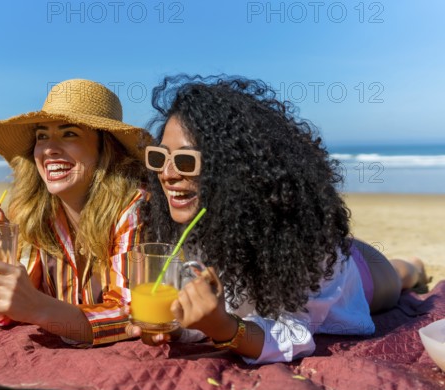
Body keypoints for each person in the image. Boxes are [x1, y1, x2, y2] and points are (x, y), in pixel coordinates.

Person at [137, 74, 428, 363]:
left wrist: (224, 328)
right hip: (323, 257)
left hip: (356, 277)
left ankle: (416, 266)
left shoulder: (304, 244)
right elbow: (207, 313)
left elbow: (291, 334)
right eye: (160, 158)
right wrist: (177, 327)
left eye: (187, 161)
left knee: (401, 276)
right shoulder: (184, 227)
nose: (167, 174)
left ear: (233, 171)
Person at [0, 79, 150, 346]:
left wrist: (37, 308)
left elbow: (134, 314)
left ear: (106, 149)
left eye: (70, 134)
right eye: (42, 136)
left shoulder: (136, 207)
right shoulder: (40, 212)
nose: (49, 149)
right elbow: (2, 314)